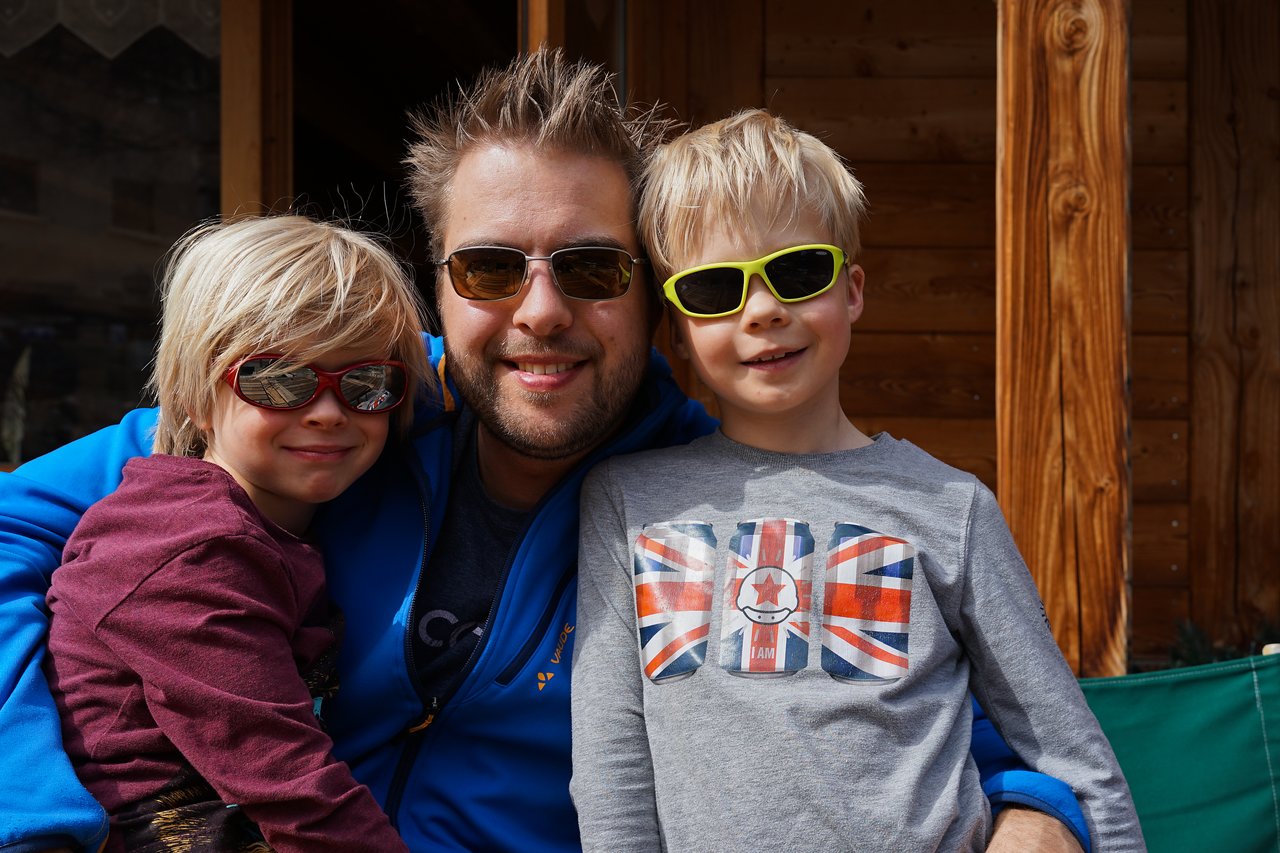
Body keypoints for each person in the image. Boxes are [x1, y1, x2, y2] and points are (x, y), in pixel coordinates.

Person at [0, 50, 1088, 852]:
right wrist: (42, 807)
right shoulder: (337, 404)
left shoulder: (720, 505)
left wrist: (1034, 806)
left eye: (590, 267)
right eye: (487, 268)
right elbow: (19, 530)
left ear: (656, 298)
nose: (539, 312)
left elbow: (896, 695)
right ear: (435, 283)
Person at [570, 109, 1144, 851]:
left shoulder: (952, 507)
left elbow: (1074, 757)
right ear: (677, 326)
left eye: (798, 271)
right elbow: (613, 769)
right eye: (715, 289)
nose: (765, 311)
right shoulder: (624, 506)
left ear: (853, 290)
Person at [44, 215, 428, 851]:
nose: (328, 412)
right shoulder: (189, 549)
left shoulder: (275, 527)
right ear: (195, 393)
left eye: (367, 383)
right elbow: (293, 789)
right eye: (277, 378)